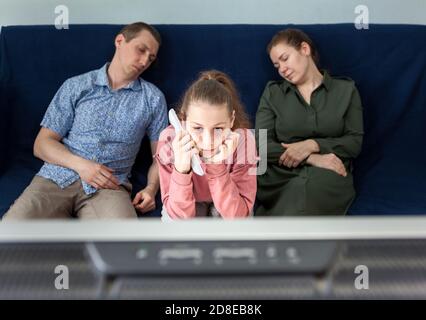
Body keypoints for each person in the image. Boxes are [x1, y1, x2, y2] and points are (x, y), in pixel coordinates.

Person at [2, 22, 167, 220]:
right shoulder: (76, 86)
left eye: (151, 58)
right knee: (12, 233)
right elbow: (42, 144)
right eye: (140, 50)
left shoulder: (153, 98)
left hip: (109, 187)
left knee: (124, 245)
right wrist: (82, 166)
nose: (143, 62)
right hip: (57, 176)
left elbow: (161, 157)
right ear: (120, 41)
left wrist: (151, 188)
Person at [255, 28, 364, 216]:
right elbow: (261, 146)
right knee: (296, 191)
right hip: (280, 175)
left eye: (285, 58)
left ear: (304, 49)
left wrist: (312, 145)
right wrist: (311, 157)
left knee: (311, 190)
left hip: (329, 173)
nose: (282, 69)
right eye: (276, 65)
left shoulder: (346, 90)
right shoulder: (273, 93)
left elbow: (354, 143)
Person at [156, 70, 257, 220]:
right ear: (183, 119)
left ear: (231, 120)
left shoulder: (245, 140)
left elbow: (238, 217)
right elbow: (178, 221)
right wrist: (181, 171)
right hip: (187, 202)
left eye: (218, 128)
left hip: (228, 201)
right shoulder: (169, 140)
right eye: (197, 128)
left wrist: (216, 167)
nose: (208, 140)